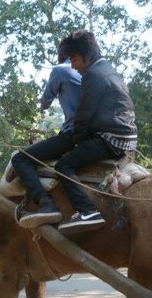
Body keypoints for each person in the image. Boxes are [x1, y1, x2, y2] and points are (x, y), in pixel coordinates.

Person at [12, 29, 137, 234]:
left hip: (108, 138)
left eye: (74, 59)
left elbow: (84, 114)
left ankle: (82, 210)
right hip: (127, 139)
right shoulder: (111, 71)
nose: (73, 65)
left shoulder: (92, 75)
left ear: (86, 55)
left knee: (56, 164)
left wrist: (76, 142)